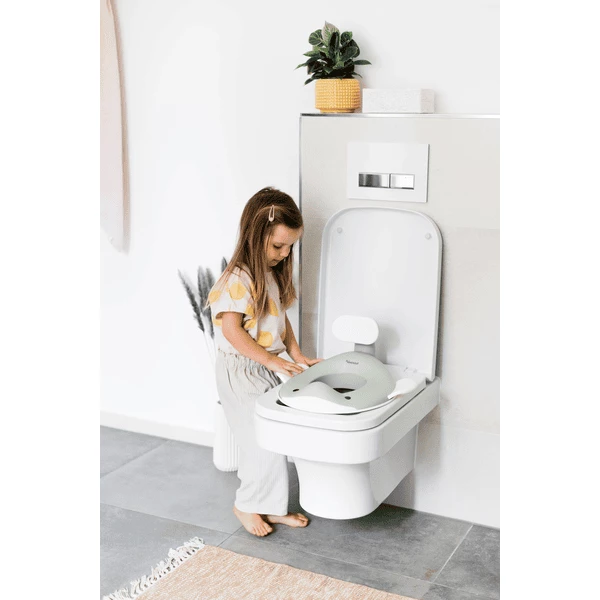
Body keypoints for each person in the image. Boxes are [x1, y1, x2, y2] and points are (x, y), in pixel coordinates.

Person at [207, 187, 322, 537]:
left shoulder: (269, 273)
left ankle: (270, 506)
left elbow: (280, 319)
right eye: (278, 246)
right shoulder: (237, 280)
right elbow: (232, 332)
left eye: (290, 247)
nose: (285, 254)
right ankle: (246, 504)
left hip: (262, 367)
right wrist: (272, 361)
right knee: (259, 442)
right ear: (256, 237)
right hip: (241, 371)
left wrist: (296, 354)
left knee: (273, 439)